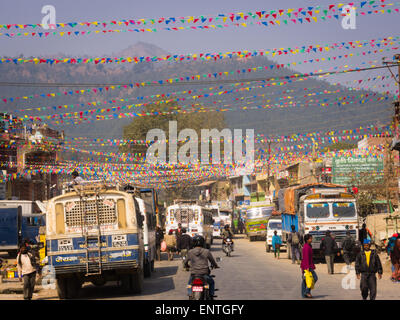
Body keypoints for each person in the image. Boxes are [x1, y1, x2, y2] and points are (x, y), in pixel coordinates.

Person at [300, 234, 318, 298]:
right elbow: (306, 258)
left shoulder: (308, 246)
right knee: (314, 278)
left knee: (305, 280)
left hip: (307, 265)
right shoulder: (306, 247)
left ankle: (304, 294)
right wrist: (307, 267)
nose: (311, 239)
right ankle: (307, 292)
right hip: (307, 266)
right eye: (310, 238)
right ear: (307, 240)